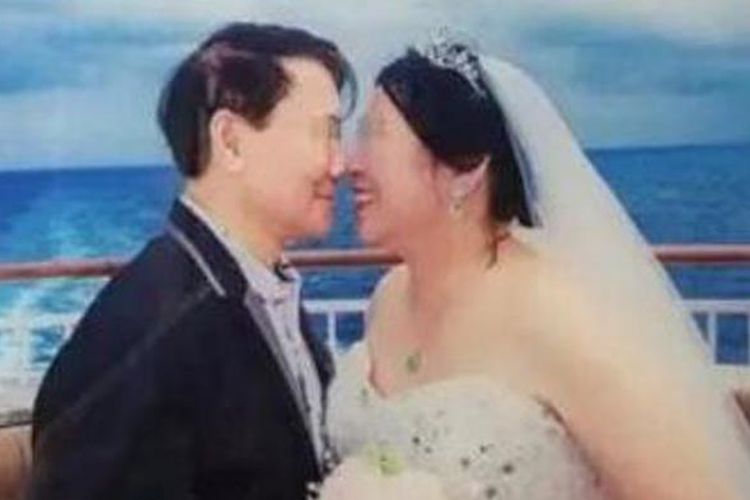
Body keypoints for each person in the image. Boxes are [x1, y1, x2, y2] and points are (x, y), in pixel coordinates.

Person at [330, 31, 750, 499]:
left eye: (375, 134)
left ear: (466, 172)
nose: (349, 163)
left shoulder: (561, 318)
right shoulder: (387, 299)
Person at [28, 22, 355, 500]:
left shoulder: (256, 289)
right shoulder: (146, 331)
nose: (339, 163)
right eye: (324, 133)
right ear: (231, 141)